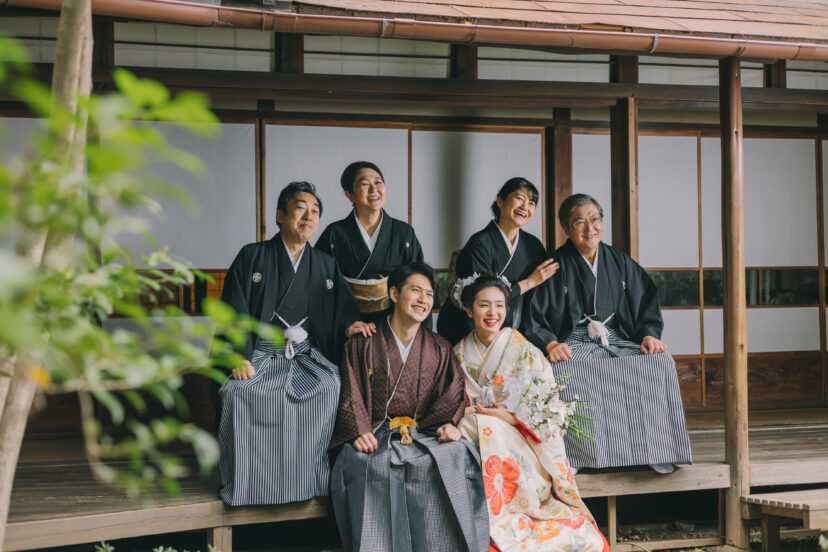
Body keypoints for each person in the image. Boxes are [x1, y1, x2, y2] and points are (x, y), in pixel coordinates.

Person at [217, 181, 373, 506]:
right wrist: (237, 355)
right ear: (280, 215)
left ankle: (309, 481)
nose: (309, 216)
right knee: (240, 392)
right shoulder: (253, 256)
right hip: (260, 353)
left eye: (315, 211)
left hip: (305, 355)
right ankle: (250, 483)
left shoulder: (325, 265)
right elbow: (234, 309)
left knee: (330, 385)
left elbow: (343, 311)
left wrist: (350, 325)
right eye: (300, 207)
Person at [521, 193, 692, 473]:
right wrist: (550, 343)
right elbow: (534, 314)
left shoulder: (618, 261)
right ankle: (577, 457)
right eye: (580, 222)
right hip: (572, 340)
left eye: (595, 220)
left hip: (615, 337)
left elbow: (644, 298)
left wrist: (649, 334)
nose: (590, 228)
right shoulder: (554, 264)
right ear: (566, 228)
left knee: (659, 363)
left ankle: (655, 449)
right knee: (569, 372)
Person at [330, 262, 489, 552]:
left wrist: (448, 423)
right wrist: (358, 429)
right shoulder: (363, 341)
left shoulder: (439, 347)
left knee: (455, 455)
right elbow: (351, 391)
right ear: (394, 294)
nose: (424, 300)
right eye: (416, 291)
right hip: (376, 433)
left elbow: (453, 393)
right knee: (365, 462)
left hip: (421, 432)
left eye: (429, 295)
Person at [454, 273, 610, 552]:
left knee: (485, 426)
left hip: (520, 441)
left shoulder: (525, 351)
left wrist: (506, 417)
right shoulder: (458, 354)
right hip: (476, 436)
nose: (493, 313)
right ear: (469, 309)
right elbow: (451, 404)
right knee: (470, 426)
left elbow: (544, 412)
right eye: (484, 305)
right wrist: (476, 414)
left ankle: (514, 510)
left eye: (500, 305)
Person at [436, 177, 558, 346]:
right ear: (500, 201)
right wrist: (528, 283)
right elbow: (482, 294)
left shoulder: (533, 246)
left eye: (531, 203)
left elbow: (540, 294)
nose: (525, 207)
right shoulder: (480, 242)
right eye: (520, 198)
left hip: (508, 327)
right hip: (466, 326)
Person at [316, 161, 426, 327]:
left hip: (394, 320)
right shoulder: (335, 233)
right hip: (347, 321)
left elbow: (419, 280)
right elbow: (320, 283)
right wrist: (343, 324)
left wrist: (418, 325)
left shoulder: (403, 232)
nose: (374, 189)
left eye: (378, 182)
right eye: (365, 184)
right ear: (350, 195)